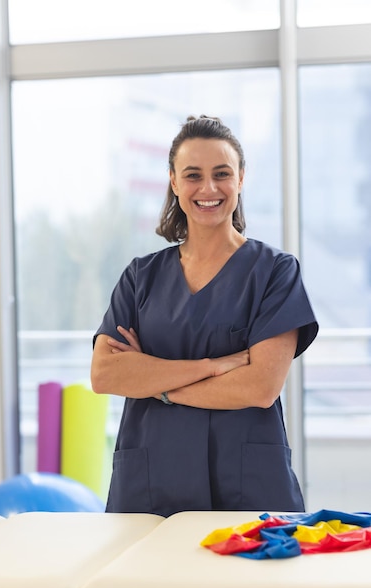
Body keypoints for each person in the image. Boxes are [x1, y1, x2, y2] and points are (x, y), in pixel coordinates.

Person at [91, 114, 318, 518]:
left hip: (246, 484)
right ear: (174, 182)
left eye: (222, 173)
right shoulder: (141, 277)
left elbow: (260, 387)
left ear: (241, 179)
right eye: (193, 175)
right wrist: (214, 367)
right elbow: (106, 375)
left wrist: (157, 386)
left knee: (250, 581)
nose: (208, 188)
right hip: (150, 481)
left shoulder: (275, 272)